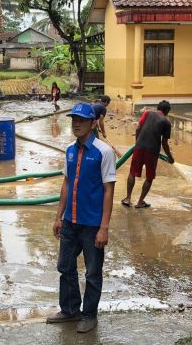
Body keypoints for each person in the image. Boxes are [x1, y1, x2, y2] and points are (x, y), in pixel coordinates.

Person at [47, 103, 116, 333]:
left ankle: (89, 315)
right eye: (74, 120)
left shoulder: (103, 152)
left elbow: (108, 190)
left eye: (82, 120)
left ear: (93, 123)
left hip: (92, 224)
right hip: (70, 222)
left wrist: (104, 227)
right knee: (65, 266)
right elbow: (66, 183)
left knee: (93, 272)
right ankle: (69, 310)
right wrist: (58, 217)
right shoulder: (69, 150)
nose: (76, 124)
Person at [121, 100, 175, 209]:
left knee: (132, 172)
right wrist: (170, 157)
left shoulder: (147, 113)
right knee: (149, 177)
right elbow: (164, 142)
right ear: (167, 111)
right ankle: (140, 202)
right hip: (152, 151)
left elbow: (138, 128)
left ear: (158, 108)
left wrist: (137, 143)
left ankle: (128, 198)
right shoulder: (166, 122)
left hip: (139, 147)